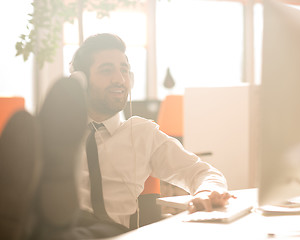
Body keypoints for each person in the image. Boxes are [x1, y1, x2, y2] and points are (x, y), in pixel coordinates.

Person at [67, 33, 232, 238]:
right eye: (106, 70)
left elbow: (204, 173)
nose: (119, 79)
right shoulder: (57, 135)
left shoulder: (142, 134)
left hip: (115, 234)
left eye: (124, 70)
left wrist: (206, 191)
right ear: (79, 81)